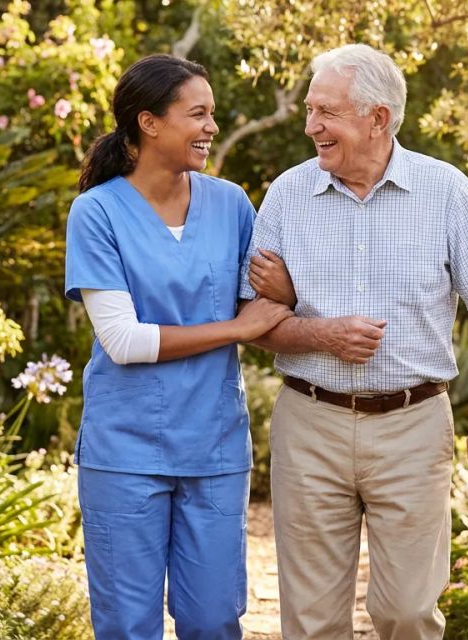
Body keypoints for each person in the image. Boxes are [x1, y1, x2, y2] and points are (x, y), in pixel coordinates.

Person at [240, 44, 468, 639]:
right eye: (311, 111)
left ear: (377, 118)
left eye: (327, 112)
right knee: (312, 621)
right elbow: (252, 316)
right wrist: (323, 334)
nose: (312, 125)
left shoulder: (445, 191)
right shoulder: (288, 194)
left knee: (409, 613)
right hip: (309, 420)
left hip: (413, 424)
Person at [64, 54, 294, 640]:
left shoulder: (232, 204)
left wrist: (283, 296)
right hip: (124, 451)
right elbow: (121, 339)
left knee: (214, 618)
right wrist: (237, 330)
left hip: (214, 446)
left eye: (212, 114)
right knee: (127, 624)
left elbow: (265, 301)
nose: (211, 127)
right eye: (198, 114)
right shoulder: (96, 212)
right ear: (149, 122)